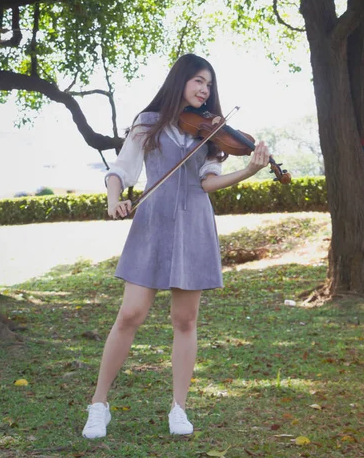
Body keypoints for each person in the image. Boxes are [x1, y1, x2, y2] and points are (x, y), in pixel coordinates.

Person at [82, 53, 270, 439]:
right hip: (152, 220)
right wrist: (112, 200)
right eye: (199, 81)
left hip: (194, 223)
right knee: (131, 314)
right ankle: (98, 404)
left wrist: (249, 169)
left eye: (210, 85)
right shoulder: (148, 123)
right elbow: (121, 169)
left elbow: (208, 183)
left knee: (185, 320)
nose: (205, 90)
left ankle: (179, 408)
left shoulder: (210, 134)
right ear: (180, 81)